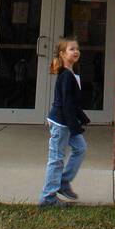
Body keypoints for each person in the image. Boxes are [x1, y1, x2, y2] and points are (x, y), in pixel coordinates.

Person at [38, 37, 90, 207]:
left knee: (80, 149)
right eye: (71, 49)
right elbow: (66, 103)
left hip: (68, 121)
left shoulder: (72, 74)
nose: (76, 51)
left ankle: (63, 181)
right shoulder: (66, 76)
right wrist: (75, 127)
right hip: (61, 123)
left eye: (77, 48)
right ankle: (48, 198)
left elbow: (73, 103)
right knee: (56, 158)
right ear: (62, 54)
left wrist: (82, 117)